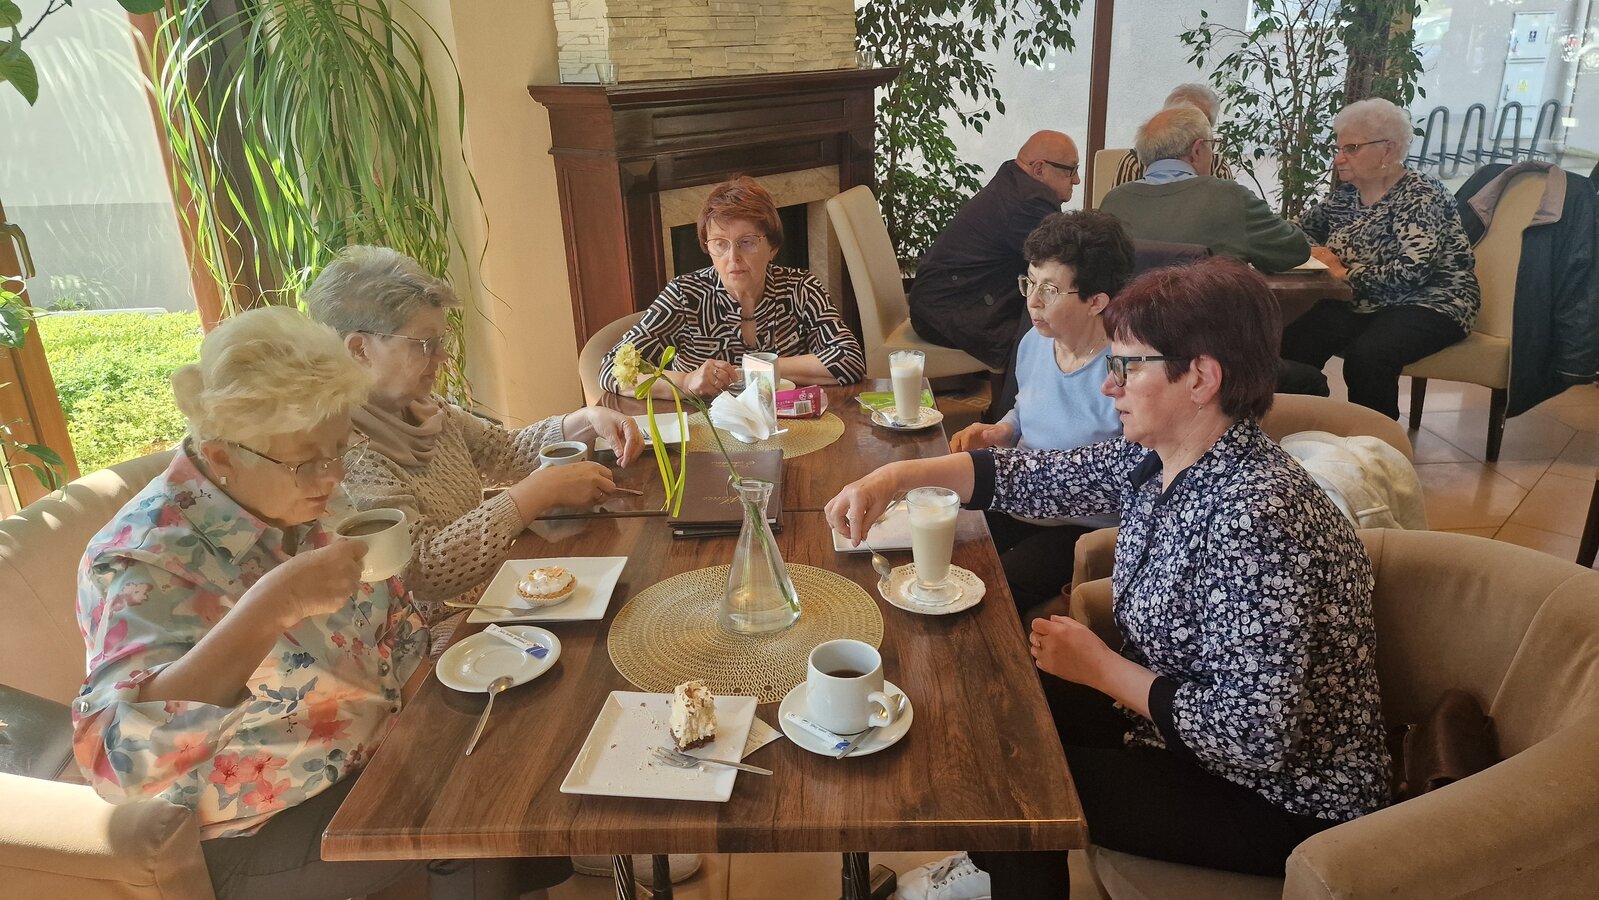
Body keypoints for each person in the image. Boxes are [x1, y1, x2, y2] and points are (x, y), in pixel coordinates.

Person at [829, 258, 1390, 899]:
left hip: (1277, 795)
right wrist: (893, 478)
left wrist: (1098, 668)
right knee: (984, 702)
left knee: (1009, 786)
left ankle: (1004, 865)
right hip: (1171, 726)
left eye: (1126, 367)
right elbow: (1031, 476)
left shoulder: (1257, 517)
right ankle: (994, 868)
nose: (1107, 386)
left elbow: (1253, 735)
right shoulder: (1162, 456)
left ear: (1201, 377)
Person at [71, 307, 570, 899]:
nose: (331, 477)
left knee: (528, 747)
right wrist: (270, 608)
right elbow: (117, 762)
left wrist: (441, 721)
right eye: (307, 460)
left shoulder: (313, 499)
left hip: (377, 753)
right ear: (222, 454)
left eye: (339, 449)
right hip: (261, 821)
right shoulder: (144, 560)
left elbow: (395, 626)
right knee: (473, 826)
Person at [305, 246, 643, 642]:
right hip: (436, 636)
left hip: (491, 597)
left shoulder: (422, 406)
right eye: (425, 344)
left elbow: (503, 451)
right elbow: (422, 569)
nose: (443, 357)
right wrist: (536, 492)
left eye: (440, 340)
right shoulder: (343, 455)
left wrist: (586, 420)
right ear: (359, 350)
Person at [947, 210, 1133, 618]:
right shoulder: (1035, 339)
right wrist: (1003, 429)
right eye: (1030, 282)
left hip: (1079, 526)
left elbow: (1133, 471)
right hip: (1014, 497)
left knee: (989, 594)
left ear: (1096, 301)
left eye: (1049, 289)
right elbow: (1025, 404)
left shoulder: (1124, 370)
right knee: (940, 551)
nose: (1032, 300)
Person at [1280, 97, 1482, 419]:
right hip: (1364, 301)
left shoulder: (1420, 194)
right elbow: (1295, 231)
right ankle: (1294, 424)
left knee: (1369, 356)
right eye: (1338, 149)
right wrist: (1321, 253)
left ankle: (1375, 442)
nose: (1338, 159)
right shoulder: (1346, 195)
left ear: (1388, 150)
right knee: (1296, 335)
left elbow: (1413, 271)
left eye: (1351, 148)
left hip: (1431, 302)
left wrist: (1344, 273)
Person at [599, 175, 865, 398]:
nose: (733, 257)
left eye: (746, 242)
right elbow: (612, 369)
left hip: (788, 426)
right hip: (704, 431)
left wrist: (760, 367)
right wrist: (686, 382)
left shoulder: (800, 288)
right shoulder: (685, 296)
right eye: (720, 244)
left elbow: (850, 359)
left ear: (772, 247)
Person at [907, 131, 1080, 370]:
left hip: (945, 300)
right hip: (950, 311)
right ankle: (1024, 396)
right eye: (1071, 170)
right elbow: (1065, 261)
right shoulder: (1027, 202)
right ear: (1039, 168)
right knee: (1051, 339)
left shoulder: (1014, 180)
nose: (1076, 180)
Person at [1100, 105, 1310, 273]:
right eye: (1212, 144)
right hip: (1209, 315)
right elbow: (1294, 250)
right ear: (1197, 150)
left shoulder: (1113, 203)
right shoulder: (1230, 198)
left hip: (1128, 315)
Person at [1112, 83, 1236, 186]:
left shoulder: (1217, 165)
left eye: (1199, 122)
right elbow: (1119, 205)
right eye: (1179, 121)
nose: (1188, 131)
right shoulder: (1134, 161)